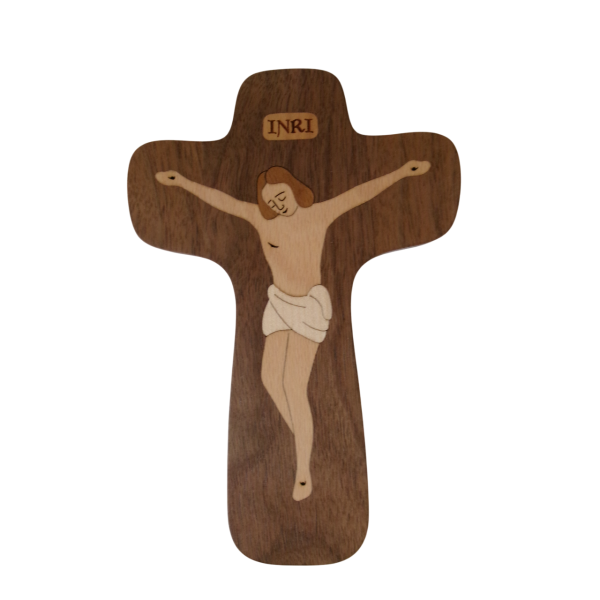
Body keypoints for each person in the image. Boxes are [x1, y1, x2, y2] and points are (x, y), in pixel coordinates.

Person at [156, 159, 431, 501]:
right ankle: (308, 440)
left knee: (293, 386)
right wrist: (182, 182)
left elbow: (359, 194)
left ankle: (303, 471)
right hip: (278, 303)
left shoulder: (318, 214)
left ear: (293, 189)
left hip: (307, 308)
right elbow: (224, 201)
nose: (278, 204)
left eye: (281, 196)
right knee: (270, 379)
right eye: (271, 201)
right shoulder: (261, 220)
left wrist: (402, 172)